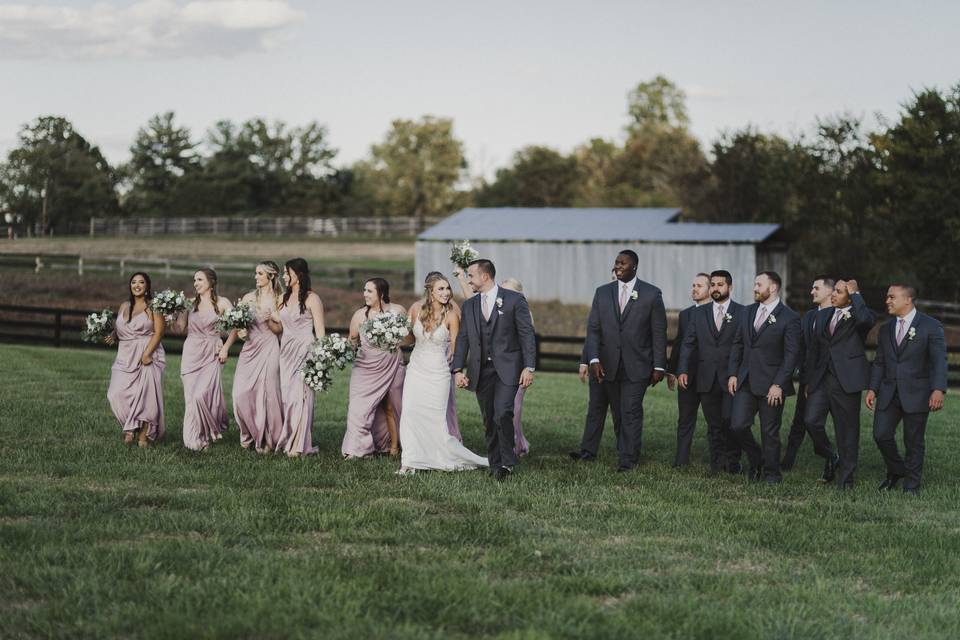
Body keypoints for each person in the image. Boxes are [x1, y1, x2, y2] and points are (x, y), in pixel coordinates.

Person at [451, 259, 536, 481]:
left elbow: (527, 335)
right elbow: (463, 338)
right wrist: (458, 369)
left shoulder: (514, 300)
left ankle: (508, 462)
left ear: (485, 276)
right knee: (489, 418)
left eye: (470, 276)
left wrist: (529, 367)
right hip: (481, 371)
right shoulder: (469, 306)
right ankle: (495, 462)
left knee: (502, 413)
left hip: (509, 369)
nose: (468, 280)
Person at [583, 250, 667, 471]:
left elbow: (658, 333)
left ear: (634, 267)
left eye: (623, 263)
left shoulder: (651, 294)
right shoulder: (602, 293)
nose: (618, 266)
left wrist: (659, 365)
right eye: (616, 262)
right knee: (617, 413)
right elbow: (593, 330)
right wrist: (593, 359)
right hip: (607, 364)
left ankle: (628, 460)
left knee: (630, 411)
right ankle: (622, 449)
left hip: (638, 364)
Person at [397, 274, 488, 473]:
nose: (446, 292)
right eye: (441, 289)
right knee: (410, 414)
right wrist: (393, 335)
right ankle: (410, 461)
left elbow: (457, 348)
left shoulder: (452, 315)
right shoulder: (415, 309)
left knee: (435, 418)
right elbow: (409, 340)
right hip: (416, 370)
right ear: (430, 291)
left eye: (447, 288)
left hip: (438, 372)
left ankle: (437, 457)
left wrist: (458, 371)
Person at [866, 284, 947, 494]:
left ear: (908, 299)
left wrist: (938, 389)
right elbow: (880, 362)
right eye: (887, 297)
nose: (887, 301)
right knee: (880, 434)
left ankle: (911, 486)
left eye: (892, 297)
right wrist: (873, 388)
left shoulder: (931, 326)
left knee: (913, 442)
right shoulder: (885, 329)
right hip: (888, 392)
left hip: (918, 392)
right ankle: (896, 470)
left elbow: (939, 360)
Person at [728, 271, 801, 484]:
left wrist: (779, 384)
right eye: (754, 284)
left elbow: (791, 355)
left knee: (770, 432)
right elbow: (738, 344)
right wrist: (733, 373)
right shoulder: (747, 312)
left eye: (759, 285)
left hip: (772, 384)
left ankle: (771, 474)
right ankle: (756, 458)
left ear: (773, 288)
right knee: (738, 425)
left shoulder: (790, 318)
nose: (754, 288)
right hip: (745, 381)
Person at [804, 279, 874, 488]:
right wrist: (809, 380)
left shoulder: (859, 316)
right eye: (833, 290)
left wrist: (857, 293)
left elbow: (867, 321)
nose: (833, 294)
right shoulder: (824, 315)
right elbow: (815, 349)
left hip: (847, 381)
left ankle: (846, 479)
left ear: (850, 296)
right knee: (811, 421)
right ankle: (831, 454)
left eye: (840, 292)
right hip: (821, 380)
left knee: (847, 432)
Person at [677, 270, 745, 473]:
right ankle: (717, 463)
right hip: (706, 377)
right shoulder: (698, 314)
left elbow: (743, 345)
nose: (716, 288)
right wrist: (683, 370)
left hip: (731, 377)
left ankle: (733, 461)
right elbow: (688, 344)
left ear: (730, 288)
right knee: (714, 423)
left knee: (730, 421)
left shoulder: (743, 312)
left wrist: (738, 372)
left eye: (720, 285)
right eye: (713, 284)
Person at [342, 278, 406, 459]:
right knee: (357, 408)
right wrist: (338, 350)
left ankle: (393, 446)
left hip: (391, 364)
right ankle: (358, 449)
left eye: (369, 291)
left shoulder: (398, 311)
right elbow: (352, 341)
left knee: (392, 406)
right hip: (365, 367)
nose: (365, 294)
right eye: (364, 290)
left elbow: (409, 339)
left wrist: (396, 336)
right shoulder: (359, 315)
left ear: (382, 294)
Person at [227, 261, 284, 453]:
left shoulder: (280, 298)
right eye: (255, 273)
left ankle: (270, 439)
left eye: (260, 273)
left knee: (268, 395)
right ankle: (248, 434)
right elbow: (237, 324)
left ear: (272, 275)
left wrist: (270, 318)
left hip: (269, 347)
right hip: (249, 349)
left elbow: (281, 329)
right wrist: (230, 343)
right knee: (239, 394)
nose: (256, 277)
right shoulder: (248, 297)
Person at [106, 272, 166, 448]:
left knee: (145, 396)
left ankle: (142, 435)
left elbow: (159, 332)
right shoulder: (124, 305)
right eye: (133, 282)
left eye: (141, 282)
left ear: (147, 286)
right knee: (115, 394)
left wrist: (147, 354)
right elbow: (123, 327)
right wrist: (115, 334)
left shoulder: (153, 306)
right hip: (124, 356)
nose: (137, 285)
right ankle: (130, 425)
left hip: (147, 353)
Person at [175, 268, 231, 451]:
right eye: (194, 280)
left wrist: (226, 348)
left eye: (199, 279)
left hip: (212, 353)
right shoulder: (189, 304)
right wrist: (170, 317)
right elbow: (179, 328)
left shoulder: (223, 303)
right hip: (191, 353)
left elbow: (237, 326)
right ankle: (195, 440)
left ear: (211, 282)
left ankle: (207, 430)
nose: (195, 283)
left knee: (202, 396)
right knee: (191, 398)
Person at [782, 276, 835, 472]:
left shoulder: (839, 316)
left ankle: (832, 457)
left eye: (816, 288)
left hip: (831, 380)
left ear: (830, 291)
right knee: (799, 422)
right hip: (808, 378)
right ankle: (787, 461)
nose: (812, 292)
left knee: (816, 422)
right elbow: (802, 347)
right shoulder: (809, 316)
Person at [277, 258, 325, 457]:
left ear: (299, 275)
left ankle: (299, 444)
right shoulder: (282, 298)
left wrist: (320, 359)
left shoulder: (312, 298)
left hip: (305, 349)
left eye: (287, 273)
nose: (284, 276)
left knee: (301, 397)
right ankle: (291, 437)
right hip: (286, 351)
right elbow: (278, 326)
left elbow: (321, 332)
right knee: (288, 398)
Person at [667, 273, 711, 468]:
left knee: (715, 422)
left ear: (711, 289)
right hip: (687, 375)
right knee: (685, 419)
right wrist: (672, 370)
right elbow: (679, 344)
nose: (694, 288)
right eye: (693, 285)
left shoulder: (718, 311)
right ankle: (681, 460)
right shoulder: (685, 314)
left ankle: (719, 461)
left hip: (712, 377)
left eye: (699, 285)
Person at [500, 277, 532, 457]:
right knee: (508, 408)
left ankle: (513, 445)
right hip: (505, 367)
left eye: (508, 291)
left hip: (518, 368)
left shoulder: (523, 312)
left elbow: (527, 344)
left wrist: (527, 368)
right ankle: (515, 443)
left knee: (515, 408)